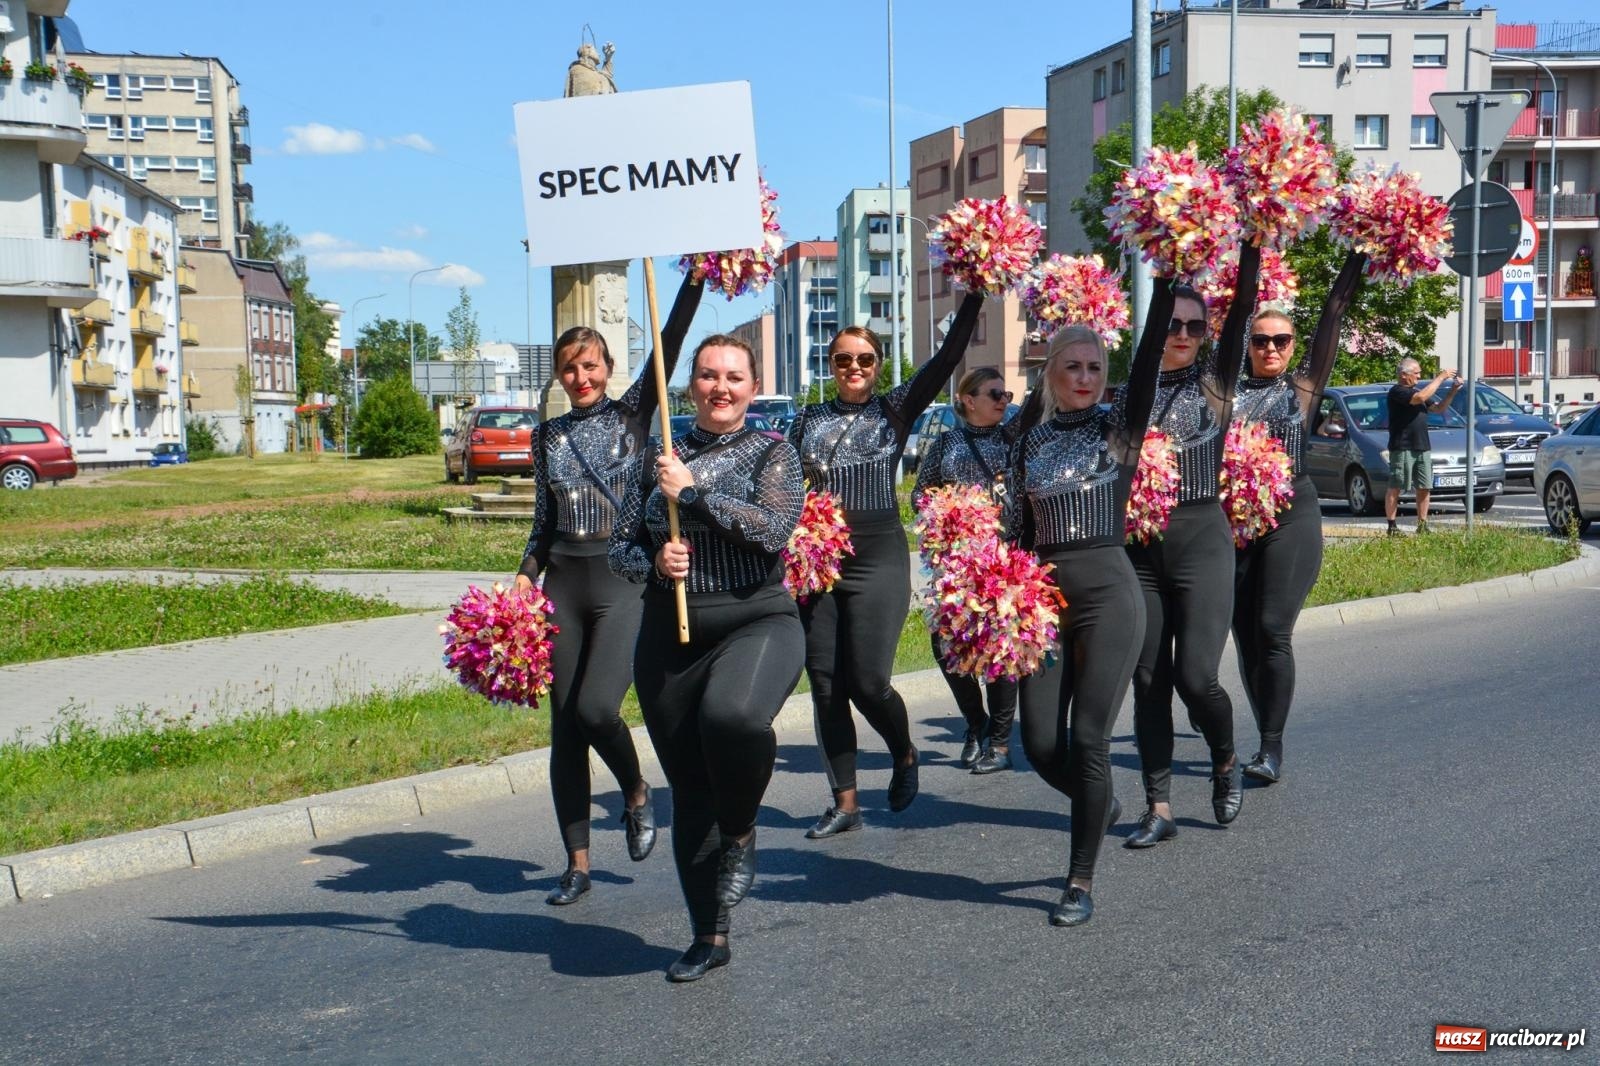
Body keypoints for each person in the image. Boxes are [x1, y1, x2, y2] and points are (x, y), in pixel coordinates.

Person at [609, 333, 806, 983]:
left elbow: (771, 531)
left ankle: (743, 829)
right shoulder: (657, 457)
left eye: (734, 377)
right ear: (689, 384)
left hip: (757, 620)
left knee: (735, 719)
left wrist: (694, 496)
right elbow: (621, 550)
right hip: (671, 635)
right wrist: (655, 559)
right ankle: (709, 935)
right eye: (708, 375)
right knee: (690, 790)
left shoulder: (775, 452)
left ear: (752, 387)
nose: (721, 387)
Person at [516, 275, 703, 906]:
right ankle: (576, 863)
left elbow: (669, 341)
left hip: (624, 578)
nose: (580, 377)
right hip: (564, 582)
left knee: (598, 709)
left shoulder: (634, 417)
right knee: (565, 728)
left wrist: (695, 277)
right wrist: (524, 573)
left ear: (609, 367)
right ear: (560, 376)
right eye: (569, 368)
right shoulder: (547, 437)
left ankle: (636, 791)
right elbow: (543, 521)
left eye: (589, 364)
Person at [789, 293, 983, 838]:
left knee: (869, 682)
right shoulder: (805, 420)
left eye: (865, 360)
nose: (854, 368)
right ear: (830, 366)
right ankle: (845, 802)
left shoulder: (893, 409)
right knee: (826, 683)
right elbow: (778, 487)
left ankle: (903, 753)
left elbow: (947, 358)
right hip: (820, 561)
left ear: (878, 367)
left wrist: (975, 287)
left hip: (877, 555)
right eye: (843, 359)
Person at [1007, 291, 1171, 926]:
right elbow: (1015, 529)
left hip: (1109, 594)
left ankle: (1079, 879)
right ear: (1050, 373)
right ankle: (1095, 803)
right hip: (1045, 601)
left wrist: (1171, 266)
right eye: (1071, 367)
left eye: (1094, 367)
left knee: (1090, 739)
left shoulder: (1120, 429)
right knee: (1042, 744)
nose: (1084, 377)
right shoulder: (1029, 439)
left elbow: (1152, 351)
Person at [1124, 247, 1260, 850]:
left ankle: (1225, 758)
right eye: (1170, 323)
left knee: (1195, 675)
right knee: (1149, 677)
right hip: (1142, 550)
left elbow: (1242, 312)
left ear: (1208, 335)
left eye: (1194, 326)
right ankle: (1158, 805)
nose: (1181, 334)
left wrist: (1253, 238)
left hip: (1204, 538)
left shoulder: (1218, 386)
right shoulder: (1132, 392)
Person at [1230, 255, 1365, 784]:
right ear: (1245, 343)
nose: (1270, 349)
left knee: (1271, 628)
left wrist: (1360, 244)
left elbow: (1335, 310)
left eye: (1281, 341)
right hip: (1237, 522)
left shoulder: (1302, 391)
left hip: (1292, 515)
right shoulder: (1223, 392)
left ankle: (1271, 747)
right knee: (1243, 632)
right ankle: (1263, 726)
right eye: (1260, 340)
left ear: (1292, 347)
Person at [913, 366, 1020, 774]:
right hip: (955, 565)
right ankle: (975, 722)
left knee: (1000, 651)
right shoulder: (946, 443)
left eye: (1006, 394)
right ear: (968, 399)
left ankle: (1000, 743)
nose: (1003, 401)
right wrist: (947, 513)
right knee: (946, 645)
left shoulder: (1014, 440)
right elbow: (921, 494)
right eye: (995, 393)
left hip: (1001, 561)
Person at [1384, 360, 1462, 535]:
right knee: (1396, 485)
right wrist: (1440, 377)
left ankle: (1422, 525)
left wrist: (1453, 391)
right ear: (1404, 375)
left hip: (1422, 445)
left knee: (1424, 486)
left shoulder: (1419, 392)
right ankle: (1392, 526)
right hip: (1402, 446)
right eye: (1416, 373)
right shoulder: (1397, 391)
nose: (1419, 376)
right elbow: (1418, 399)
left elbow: (1439, 408)